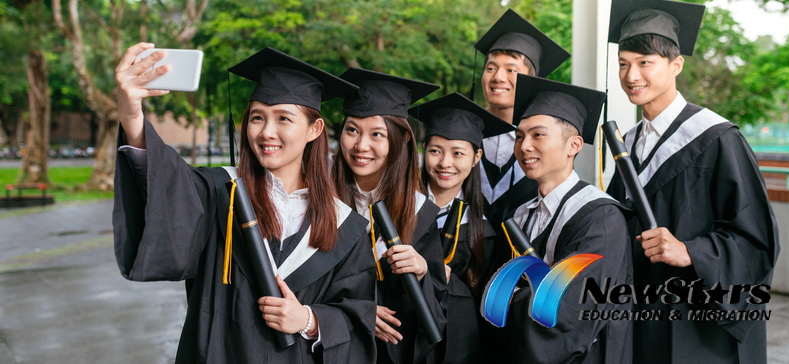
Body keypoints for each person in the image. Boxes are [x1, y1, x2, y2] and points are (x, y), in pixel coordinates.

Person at [113, 43, 377, 363]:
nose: (267, 132)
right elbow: (166, 182)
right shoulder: (219, 190)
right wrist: (131, 113)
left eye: (283, 118)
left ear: (314, 129)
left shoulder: (344, 225)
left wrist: (309, 320)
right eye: (257, 118)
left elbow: (357, 313)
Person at [606, 0, 780, 363]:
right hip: (644, 314)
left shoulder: (717, 138)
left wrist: (691, 251)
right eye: (623, 64)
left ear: (676, 65)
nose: (631, 75)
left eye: (645, 62)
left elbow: (757, 237)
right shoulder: (629, 144)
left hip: (698, 325)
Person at [485, 75, 632, 363]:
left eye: (538, 135)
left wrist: (506, 295)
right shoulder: (522, 214)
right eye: (519, 136)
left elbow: (566, 310)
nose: (524, 146)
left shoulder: (600, 216)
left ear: (574, 145)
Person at [331, 68, 445, 364]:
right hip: (330, 347)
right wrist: (359, 314)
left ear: (401, 140)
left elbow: (437, 315)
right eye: (352, 129)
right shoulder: (320, 202)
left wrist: (421, 273)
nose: (360, 145)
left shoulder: (420, 213)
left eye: (377, 134)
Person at [408, 92, 514, 364]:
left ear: (476, 156)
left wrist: (444, 282)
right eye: (435, 151)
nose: (445, 163)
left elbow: (485, 307)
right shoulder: (399, 210)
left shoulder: (485, 231)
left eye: (458, 153)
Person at [473, 9, 570, 230]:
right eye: (491, 68)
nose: (498, 77)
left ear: (531, 80)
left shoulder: (546, 145)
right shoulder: (464, 136)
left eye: (511, 70)